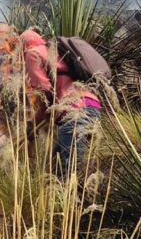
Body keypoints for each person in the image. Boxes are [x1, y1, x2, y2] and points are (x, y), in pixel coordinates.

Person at [19, 28, 102, 171]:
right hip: (93, 106)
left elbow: (44, 93)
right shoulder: (56, 51)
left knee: (65, 173)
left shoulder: (32, 53)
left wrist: (32, 125)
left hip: (74, 112)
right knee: (56, 171)